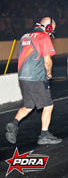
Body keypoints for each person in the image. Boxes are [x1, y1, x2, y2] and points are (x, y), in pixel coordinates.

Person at [5, 17, 62, 145]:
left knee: (28, 106)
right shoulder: (44, 37)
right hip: (36, 76)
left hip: (23, 76)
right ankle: (44, 135)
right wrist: (49, 74)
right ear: (48, 28)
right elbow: (47, 60)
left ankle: (13, 124)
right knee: (48, 105)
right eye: (52, 29)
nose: (51, 32)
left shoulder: (25, 36)